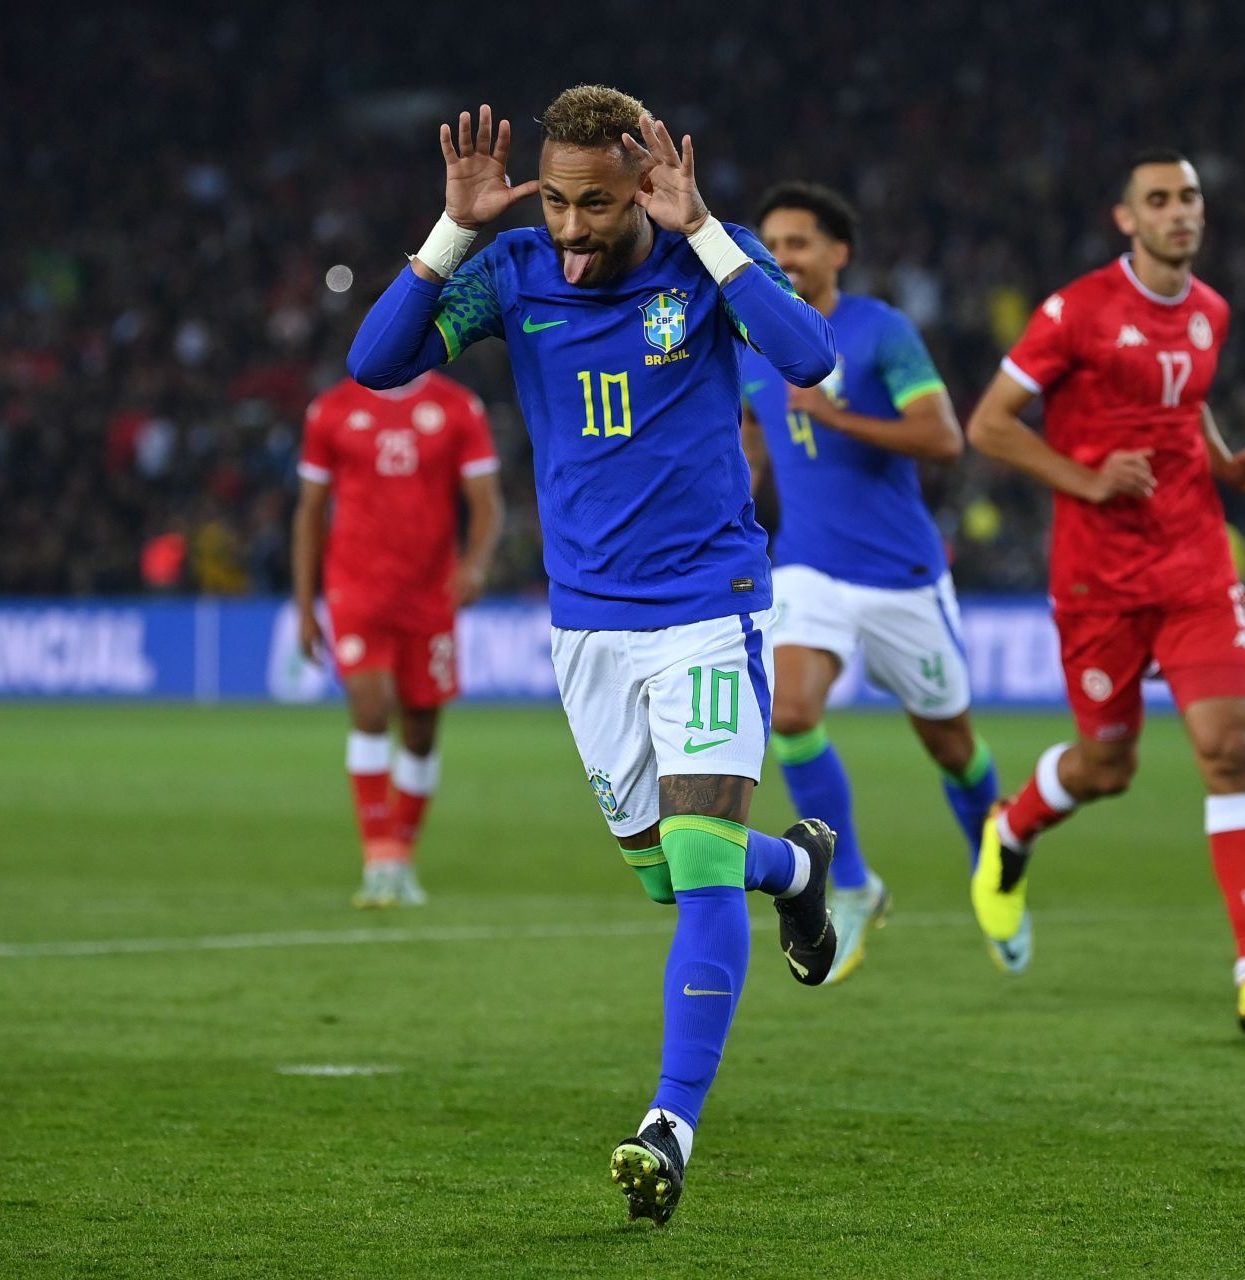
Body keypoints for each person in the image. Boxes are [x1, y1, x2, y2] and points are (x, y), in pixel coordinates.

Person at [346, 86, 841, 1225]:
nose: (572, 228)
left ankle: (668, 1124)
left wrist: (706, 229)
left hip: (710, 605)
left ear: (644, 187)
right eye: (559, 203)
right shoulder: (513, 270)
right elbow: (377, 364)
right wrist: (454, 230)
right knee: (666, 867)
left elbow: (807, 354)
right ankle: (799, 872)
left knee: (700, 862)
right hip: (587, 625)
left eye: (599, 206)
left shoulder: (700, 259)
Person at [963, 149, 1245, 1035]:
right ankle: (1011, 829)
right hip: (1098, 579)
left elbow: (1183, 404)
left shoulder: (1211, 313)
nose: (1178, 213)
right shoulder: (1076, 312)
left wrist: (1226, 460)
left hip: (1194, 560)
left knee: (1226, 745)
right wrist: (1083, 479)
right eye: (1158, 200)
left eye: (1189, 197)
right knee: (1108, 767)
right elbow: (989, 425)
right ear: (1127, 219)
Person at [739, 181, 999, 985]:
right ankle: (852, 883)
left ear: (836, 253)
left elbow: (944, 435)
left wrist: (832, 414)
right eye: (772, 245)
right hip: (809, 566)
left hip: (902, 576)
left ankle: (997, 864)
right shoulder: (752, 344)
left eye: (799, 243)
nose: (783, 258)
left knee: (952, 748)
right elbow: (753, 443)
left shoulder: (880, 330)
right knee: (791, 711)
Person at [291, 370, 504, 908]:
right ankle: (379, 856)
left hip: (431, 593)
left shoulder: (459, 407)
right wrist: (304, 606)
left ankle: (402, 858)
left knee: (421, 729)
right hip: (356, 587)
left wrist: (475, 565)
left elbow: (486, 502)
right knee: (370, 706)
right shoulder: (330, 410)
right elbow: (310, 512)